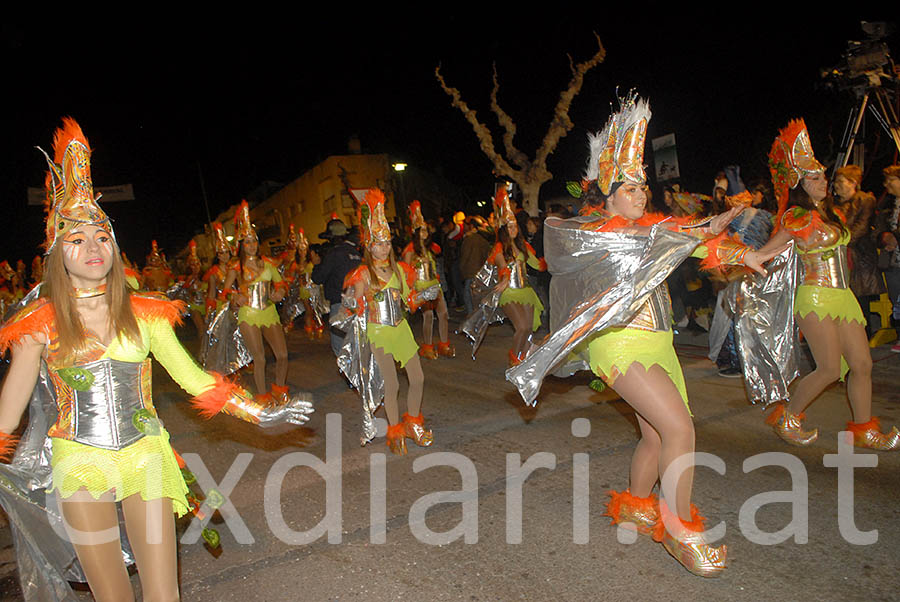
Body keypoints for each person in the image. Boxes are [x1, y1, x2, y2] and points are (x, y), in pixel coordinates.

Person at [0, 118, 312, 601]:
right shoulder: (38, 324)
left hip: (146, 455)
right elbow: (10, 409)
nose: (93, 248)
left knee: (165, 595)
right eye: (76, 239)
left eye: (102, 236)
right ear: (57, 253)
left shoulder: (146, 314)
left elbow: (192, 379)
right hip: (78, 463)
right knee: (114, 595)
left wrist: (258, 412)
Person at [507, 94, 780, 577]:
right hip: (618, 343)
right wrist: (699, 231)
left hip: (659, 344)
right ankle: (678, 530)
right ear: (607, 197)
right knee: (680, 430)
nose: (639, 193)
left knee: (655, 435)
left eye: (642, 186)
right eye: (628, 187)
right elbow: (661, 243)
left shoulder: (659, 230)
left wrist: (742, 254)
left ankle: (636, 504)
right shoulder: (595, 234)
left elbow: (687, 242)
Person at [758, 119, 899, 450]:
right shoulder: (797, 217)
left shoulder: (832, 213)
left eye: (823, 176)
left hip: (843, 297)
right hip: (815, 298)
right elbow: (766, 252)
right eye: (816, 178)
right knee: (829, 369)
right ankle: (788, 417)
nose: (824, 182)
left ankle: (863, 428)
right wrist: (734, 259)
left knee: (862, 365)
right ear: (800, 184)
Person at [340, 188, 438, 454]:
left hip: (401, 330)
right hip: (378, 332)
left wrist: (423, 295)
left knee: (417, 378)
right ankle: (395, 431)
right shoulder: (362, 274)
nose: (384, 247)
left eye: (387, 243)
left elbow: (409, 301)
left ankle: (413, 423)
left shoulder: (399, 270)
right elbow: (353, 304)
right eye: (379, 243)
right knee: (392, 384)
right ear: (369, 245)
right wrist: (350, 301)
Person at [221, 201, 293, 401]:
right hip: (248, 314)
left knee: (282, 355)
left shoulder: (268, 263)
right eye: (247, 242)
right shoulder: (236, 266)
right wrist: (234, 296)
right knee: (259, 358)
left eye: (254, 241)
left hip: (269, 312)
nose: (252, 245)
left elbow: (281, 284)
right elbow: (224, 291)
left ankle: (280, 389)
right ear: (242, 245)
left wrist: (279, 292)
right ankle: (262, 396)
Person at [490, 185, 547, 367]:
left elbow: (537, 264)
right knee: (521, 327)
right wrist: (505, 277)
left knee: (529, 328)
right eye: (510, 226)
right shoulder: (499, 248)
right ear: (504, 229)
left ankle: (522, 356)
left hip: (526, 291)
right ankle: (514, 358)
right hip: (509, 292)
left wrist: (555, 261)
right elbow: (501, 264)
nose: (514, 229)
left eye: (515, 226)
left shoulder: (523, 247)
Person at [833, 165, 884, 336]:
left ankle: (863, 334)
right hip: (839, 253)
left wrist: (839, 241)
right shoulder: (833, 204)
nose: (836, 185)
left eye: (841, 181)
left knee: (859, 298)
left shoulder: (864, 200)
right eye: (836, 182)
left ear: (853, 182)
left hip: (859, 256)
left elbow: (860, 228)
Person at [402, 201, 454, 358]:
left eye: (426, 230)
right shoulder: (410, 250)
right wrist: (410, 292)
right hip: (420, 288)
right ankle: (427, 346)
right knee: (429, 316)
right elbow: (405, 272)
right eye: (422, 231)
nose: (425, 233)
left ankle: (444, 344)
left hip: (434, 285)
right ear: (415, 232)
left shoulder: (431, 248)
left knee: (443, 314)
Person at [312, 217, 361, 357]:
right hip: (358, 304)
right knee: (356, 344)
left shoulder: (333, 254)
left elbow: (317, 278)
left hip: (340, 305)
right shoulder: (356, 253)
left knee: (340, 347)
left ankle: (352, 378)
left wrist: (316, 264)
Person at [875, 164, 900, 352]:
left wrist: (896, 237)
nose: (887, 184)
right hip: (892, 260)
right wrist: (884, 238)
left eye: (892, 180)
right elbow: (876, 229)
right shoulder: (887, 204)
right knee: (895, 299)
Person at [459, 216, 492, 315]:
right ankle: (479, 317)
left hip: (470, 271)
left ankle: (471, 317)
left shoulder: (469, 239)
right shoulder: (484, 240)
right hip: (481, 271)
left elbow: (465, 256)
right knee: (478, 297)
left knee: (468, 295)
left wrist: (462, 270)